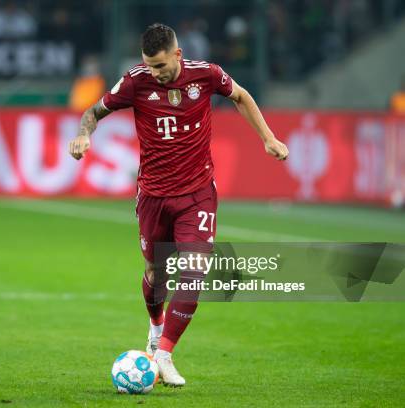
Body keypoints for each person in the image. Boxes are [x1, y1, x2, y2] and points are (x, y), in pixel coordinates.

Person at [68, 23, 288, 387]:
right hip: (153, 195)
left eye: (160, 65)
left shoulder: (207, 75)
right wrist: (82, 134)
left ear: (177, 55)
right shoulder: (136, 82)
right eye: (149, 66)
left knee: (195, 269)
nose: (155, 73)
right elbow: (93, 112)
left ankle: (165, 354)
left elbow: (241, 96)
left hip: (197, 192)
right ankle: (155, 331)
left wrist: (268, 137)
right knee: (157, 273)